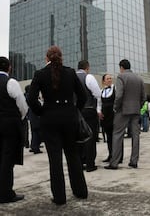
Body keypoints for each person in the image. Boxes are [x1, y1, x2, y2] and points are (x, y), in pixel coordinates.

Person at [27, 46, 88, 205]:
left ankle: (60, 197)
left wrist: (42, 112)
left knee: (55, 160)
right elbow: (83, 96)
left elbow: (31, 99)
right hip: (69, 118)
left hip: (50, 119)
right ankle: (80, 191)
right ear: (61, 57)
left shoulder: (40, 74)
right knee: (73, 156)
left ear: (47, 58)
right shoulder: (70, 72)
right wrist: (75, 111)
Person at [0, 56, 29, 203]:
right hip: (10, 123)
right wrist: (20, 118)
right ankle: (6, 193)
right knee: (7, 158)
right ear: (9, 67)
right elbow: (22, 105)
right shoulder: (11, 82)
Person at [104, 59, 145, 170]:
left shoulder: (121, 77)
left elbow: (119, 95)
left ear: (121, 67)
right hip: (135, 110)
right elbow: (143, 96)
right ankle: (134, 161)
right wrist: (139, 106)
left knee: (117, 135)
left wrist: (116, 107)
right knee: (135, 136)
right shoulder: (139, 79)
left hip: (123, 110)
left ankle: (114, 162)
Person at [76, 60, 102, 172]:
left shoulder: (71, 77)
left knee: (77, 137)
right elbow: (97, 94)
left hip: (75, 111)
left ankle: (79, 163)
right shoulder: (88, 77)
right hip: (88, 110)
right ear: (87, 67)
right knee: (90, 136)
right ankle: (90, 163)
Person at [100, 73, 116, 162]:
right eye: (107, 79)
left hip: (113, 116)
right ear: (103, 81)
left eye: (110, 78)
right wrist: (99, 112)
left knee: (116, 137)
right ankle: (110, 155)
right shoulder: (102, 91)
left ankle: (118, 156)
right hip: (105, 117)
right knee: (108, 137)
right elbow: (99, 103)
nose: (109, 80)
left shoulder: (115, 89)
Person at [25, 85, 42, 154]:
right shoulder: (31, 97)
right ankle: (35, 147)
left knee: (34, 131)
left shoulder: (27, 96)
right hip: (35, 116)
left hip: (31, 116)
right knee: (37, 132)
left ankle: (34, 146)